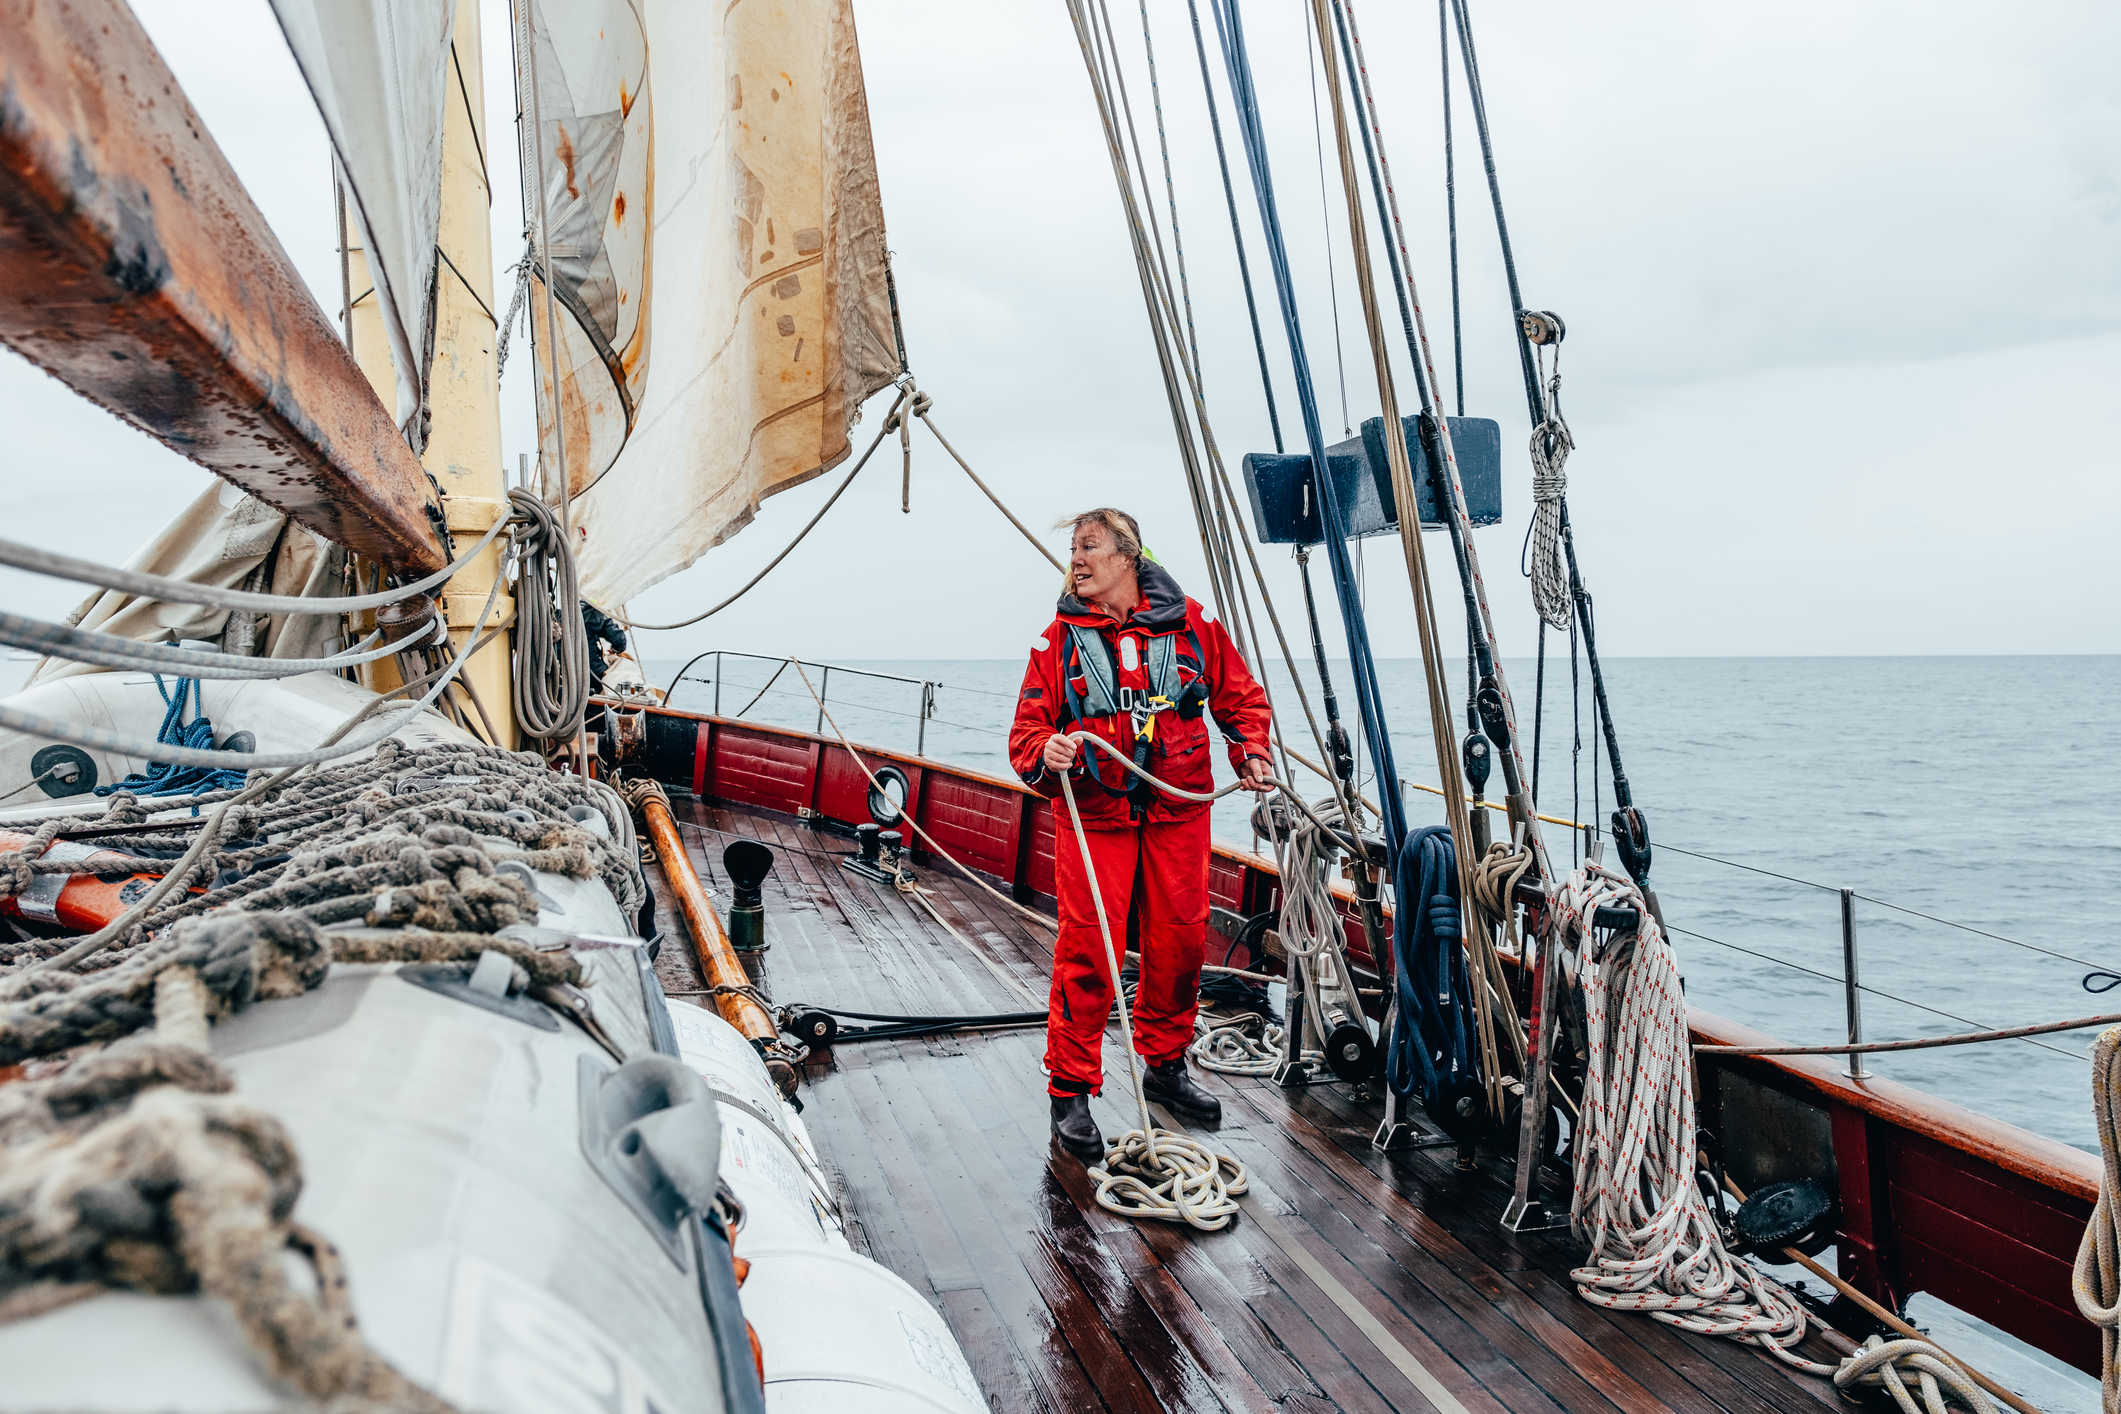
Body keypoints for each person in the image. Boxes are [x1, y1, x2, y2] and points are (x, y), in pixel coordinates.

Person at [1009, 508, 1273, 1161]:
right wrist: (1048, 754)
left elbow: (1238, 700)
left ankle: (1166, 1067)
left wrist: (1253, 753)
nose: (1077, 561)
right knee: (1089, 953)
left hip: (1178, 817)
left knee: (1179, 947)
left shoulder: (1195, 627)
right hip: (1097, 818)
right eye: (1076, 551)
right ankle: (1070, 1090)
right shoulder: (1057, 642)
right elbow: (1025, 737)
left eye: (1090, 549)